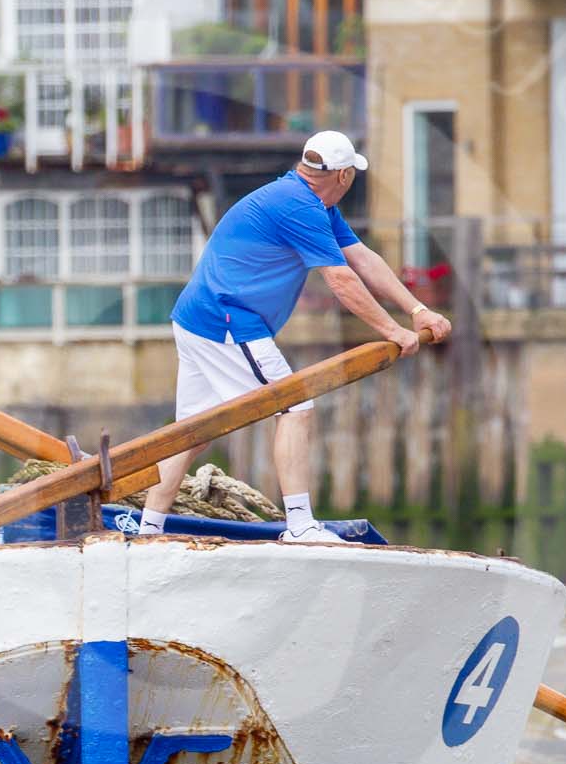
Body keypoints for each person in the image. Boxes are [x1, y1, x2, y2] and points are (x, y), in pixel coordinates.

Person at [140, 131, 453, 543]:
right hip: (228, 321)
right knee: (294, 406)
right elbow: (341, 279)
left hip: (198, 317)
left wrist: (417, 310)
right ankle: (301, 526)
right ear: (343, 176)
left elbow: (362, 259)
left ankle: (149, 529)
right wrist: (394, 331)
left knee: (194, 432)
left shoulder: (308, 201)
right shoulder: (300, 207)